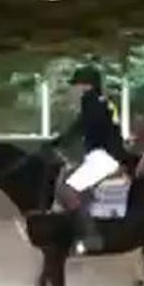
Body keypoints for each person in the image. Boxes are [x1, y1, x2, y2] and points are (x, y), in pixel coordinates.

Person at [49, 64, 126, 255]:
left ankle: (89, 237)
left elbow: (83, 126)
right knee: (69, 178)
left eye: (77, 85)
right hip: (104, 154)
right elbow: (82, 125)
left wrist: (60, 141)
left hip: (103, 156)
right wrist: (61, 140)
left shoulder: (91, 101)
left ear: (87, 85)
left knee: (69, 189)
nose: (75, 89)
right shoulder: (102, 101)